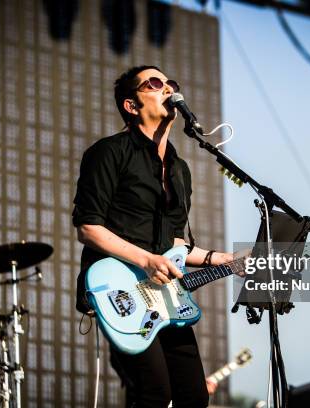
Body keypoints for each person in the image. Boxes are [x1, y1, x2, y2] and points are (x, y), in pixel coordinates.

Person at [73, 65, 233, 407]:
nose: (167, 89)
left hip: (166, 298)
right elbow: (88, 226)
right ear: (132, 106)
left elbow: (173, 244)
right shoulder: (108, 153)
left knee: (194, 396)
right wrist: (146, 260)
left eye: (171, 84)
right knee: (154, 393)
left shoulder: (179, 170)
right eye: (155, 84)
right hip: (120, 289)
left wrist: (225, 259)